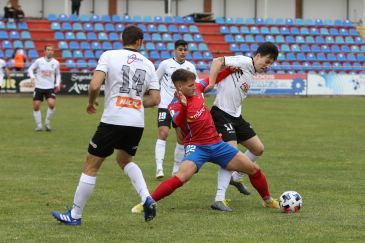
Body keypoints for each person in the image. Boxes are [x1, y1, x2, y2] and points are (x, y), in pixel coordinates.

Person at [51, 25, 160, 225]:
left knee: (91, 165)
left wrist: (91, 102)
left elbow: (94, 85)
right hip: (136, 122)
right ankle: (146, 197)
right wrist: (135, 102)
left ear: (122, 39)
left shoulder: (109, 55)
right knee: (125, 160)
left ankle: (75, 215)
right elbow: (155, 99)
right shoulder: (149, 63)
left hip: (113, 119)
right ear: (140, 42)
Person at [133, 69, 280, 214]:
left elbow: (210, 80)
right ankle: (147, 201)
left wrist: (229, 69)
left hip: (217, 144)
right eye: (189, 86)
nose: (193, 87)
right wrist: (184, 107)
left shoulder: (196, 88)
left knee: (253, 169)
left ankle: (268, 200)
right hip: (196, 147)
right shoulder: (173, 105)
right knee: (181, 177)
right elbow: (178, 120)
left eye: (193, 84)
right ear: (179, 86)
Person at [206, 42, 279, 211]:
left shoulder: (251, 71)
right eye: (266, 61)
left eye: (271, 64)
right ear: (257, 56)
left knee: (258, 149)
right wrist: (211, 83)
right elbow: (217, 61)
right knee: (229, 155)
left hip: (236, 117)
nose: (267, 66)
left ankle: (237, 177)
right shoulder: (245, 61)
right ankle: (219, 198)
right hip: (221, 114)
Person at [154, 39, 198, 179]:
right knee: (163, 132)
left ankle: (175, 170)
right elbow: (155, 80)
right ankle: (159, 168)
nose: (183, 52)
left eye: (185, 49)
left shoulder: (190, 67)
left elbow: (195, 88)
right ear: (175, 50)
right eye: (180, 49)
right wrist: (155, 96)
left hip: (180, 107)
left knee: (181, 138)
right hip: (165, 104)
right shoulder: (165, 64)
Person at [28, 45, 61, 132]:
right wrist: (32, 77)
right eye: (48, 50)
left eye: (51, 50)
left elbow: (58, 74)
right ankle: (39, 126)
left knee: (52, 104)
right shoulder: (39, 61)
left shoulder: (56, 63)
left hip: (50, 87)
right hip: (39, 87)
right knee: (36, 106)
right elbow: (30, 69)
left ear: (53, 52)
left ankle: (47, 123)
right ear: (44, 51)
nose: (50, 51)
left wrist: (57, 83)